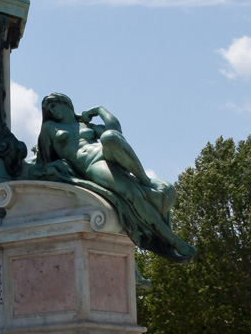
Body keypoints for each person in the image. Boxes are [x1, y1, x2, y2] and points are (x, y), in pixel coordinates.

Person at [31, 94, 194, 261]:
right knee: (131, 193)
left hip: (104, 153)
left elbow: (115, 130)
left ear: (65, 103)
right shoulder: (49, 128)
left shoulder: (85, 124)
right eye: (48, 109)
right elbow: (43, 161)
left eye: (53, 105)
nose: (52, 111)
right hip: (92, 165)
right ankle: (173, 241)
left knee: (110, 137)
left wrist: (99, 110)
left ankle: (145, 180)